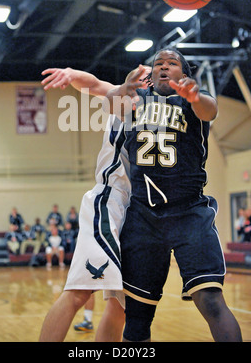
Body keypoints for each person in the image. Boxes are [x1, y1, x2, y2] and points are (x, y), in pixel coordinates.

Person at [105, 48, 242, 342]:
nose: (164, 67)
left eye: (172, 63)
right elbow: (110, 103)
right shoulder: (135, 100)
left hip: (189, 212)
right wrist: (123, 87)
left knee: (211, 302)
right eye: (158, 64)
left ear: (185, 74)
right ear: (151, 75)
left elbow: (211, 109)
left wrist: (194, 97)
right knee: (137, 317)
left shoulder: (195, 101)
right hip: (143, 215)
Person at [39, 65, 151, 342]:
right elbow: (94, 84)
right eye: (146, 75)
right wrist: (72, 74)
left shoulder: (168, 113)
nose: (151, 78)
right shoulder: (125, 99)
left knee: (121, 305)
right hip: (110, 200)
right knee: (78, 293)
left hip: (140, 212)